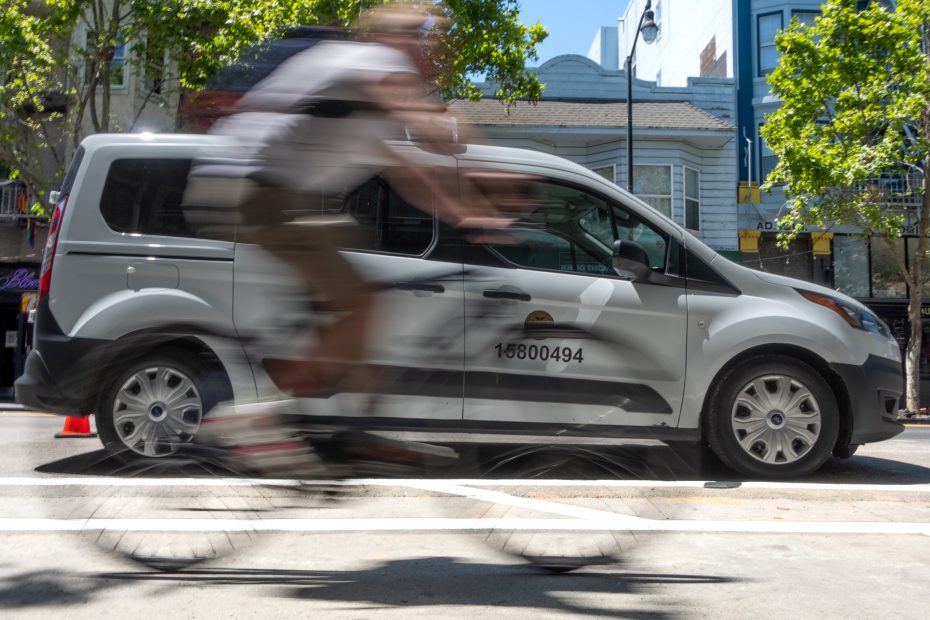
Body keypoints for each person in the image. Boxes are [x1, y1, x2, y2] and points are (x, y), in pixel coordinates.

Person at [184, 2, 508, 396]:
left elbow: (408, 174)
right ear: (397, 37)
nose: (436, 48)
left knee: (354, 248)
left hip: (259, 190)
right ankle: (267, 410)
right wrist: (499, 174)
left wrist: (466, 214)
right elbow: (431, 129)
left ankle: (353, 420)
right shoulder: (374, 61)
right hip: (248, 189)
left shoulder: (364, 98)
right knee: (363, 303)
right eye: (427, 36)